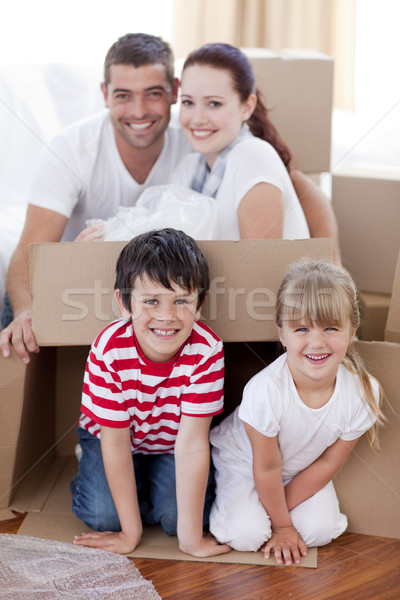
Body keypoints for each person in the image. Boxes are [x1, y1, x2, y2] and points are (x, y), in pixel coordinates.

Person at [0, 33, 340, 363]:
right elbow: (30, 250)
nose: (139, 111)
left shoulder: (209, 140)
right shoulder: (179, 158)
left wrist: (334, 273)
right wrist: (38, 302)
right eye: (123, 95)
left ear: (172, 93)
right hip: (100, 286)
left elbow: (303, 195)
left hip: (205, 303)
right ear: (104, 94)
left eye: (153, 93)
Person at [208, 260, 385, 566]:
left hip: (299, 468)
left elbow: (329, 462)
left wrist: (281, 520)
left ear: (352, 331)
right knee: (247, 535)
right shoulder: (266, 391)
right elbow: (265, 469)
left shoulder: (362, 392)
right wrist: (281, 525)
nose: (316, 342)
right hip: (246, 462)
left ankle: (269, 511)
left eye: (331, 328)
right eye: (302, 328)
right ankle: (224, 497)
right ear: (282, 333)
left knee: (322, 530)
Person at [71, 228, 231, 557]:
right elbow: (114, 443)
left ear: (199, 304)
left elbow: (192, 443)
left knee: (182, 520)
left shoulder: (207, 350)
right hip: (112, 439)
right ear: (124, 303)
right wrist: (130, 534)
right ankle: (98, 473)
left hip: (172, 444)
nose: (166, 316)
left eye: (182, 301)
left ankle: (144, 487)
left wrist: (191, 540)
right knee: (103, 515)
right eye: (151, 301)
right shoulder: (108, 350)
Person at [171, 43, 309, 241]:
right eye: (188, 102)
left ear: (247, 106)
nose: (197, 118)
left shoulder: (252, 156)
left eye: (214, 104)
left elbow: (262, 267)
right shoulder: (188, 169)